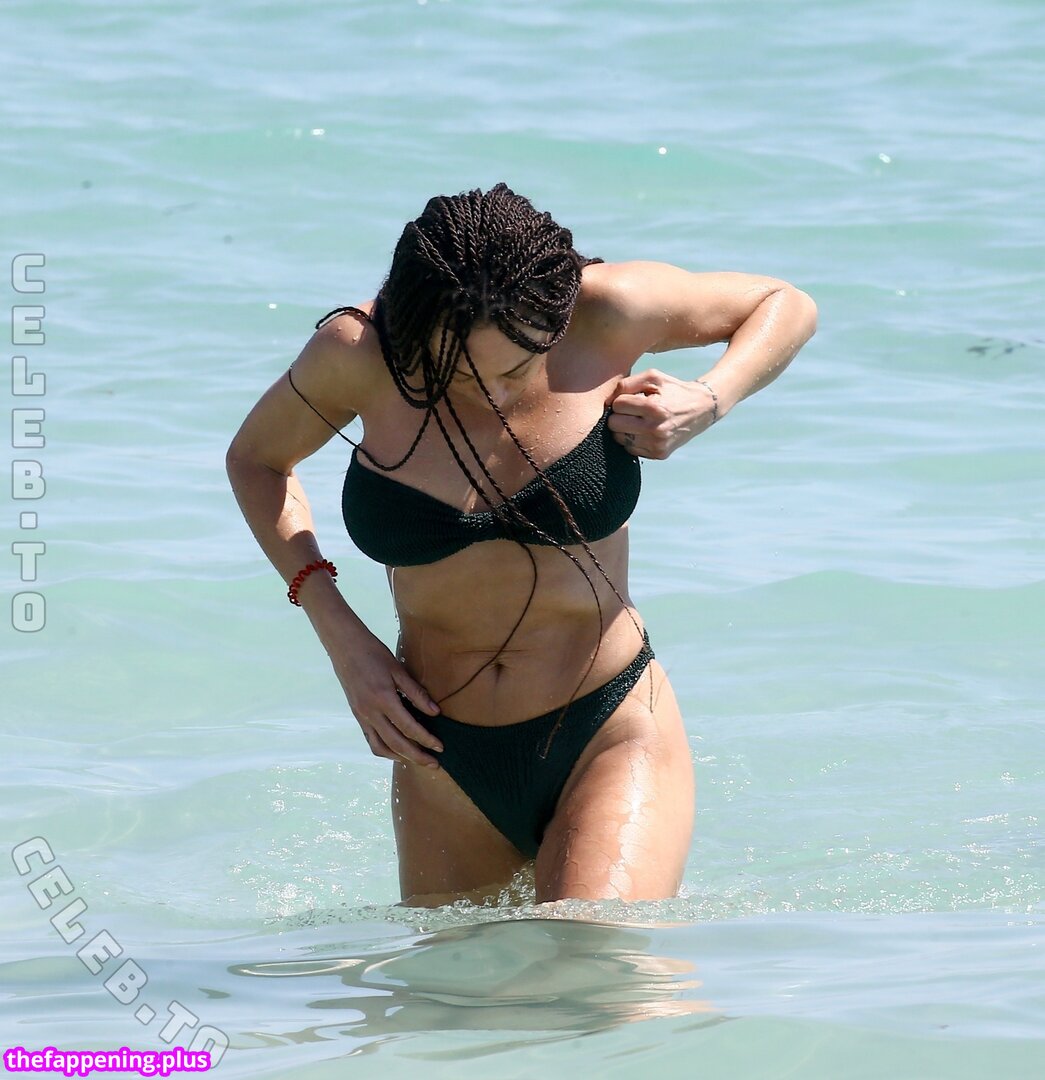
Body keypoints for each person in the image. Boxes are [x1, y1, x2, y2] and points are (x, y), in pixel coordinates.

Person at [226, 183, 817, 908]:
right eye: (459, 371)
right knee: (452, 980)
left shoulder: (607, 310)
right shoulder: (359, 354)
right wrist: (342, 638)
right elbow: (256, 461)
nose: (495, 394)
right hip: (441, 758)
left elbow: (784, 303)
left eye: (516, 368)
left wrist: (709, 397)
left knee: (592, 957)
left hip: (606, 726)